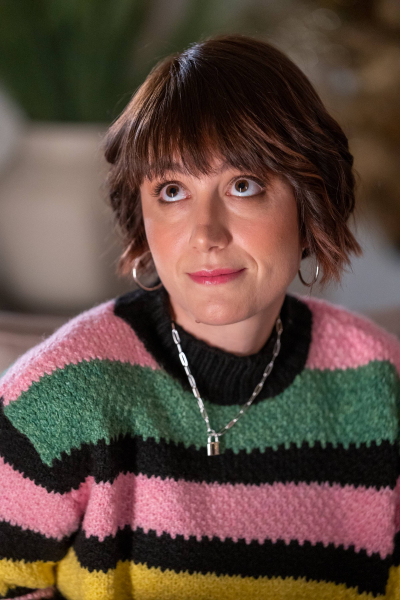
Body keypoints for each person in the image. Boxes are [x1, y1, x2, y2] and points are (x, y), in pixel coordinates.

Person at [1, 33, 400, 600]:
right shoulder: (61, 396)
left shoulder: (380, 383)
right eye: (172, 191)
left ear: (310, 200)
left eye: (243, 185)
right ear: (140, 217)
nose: (206, 234)